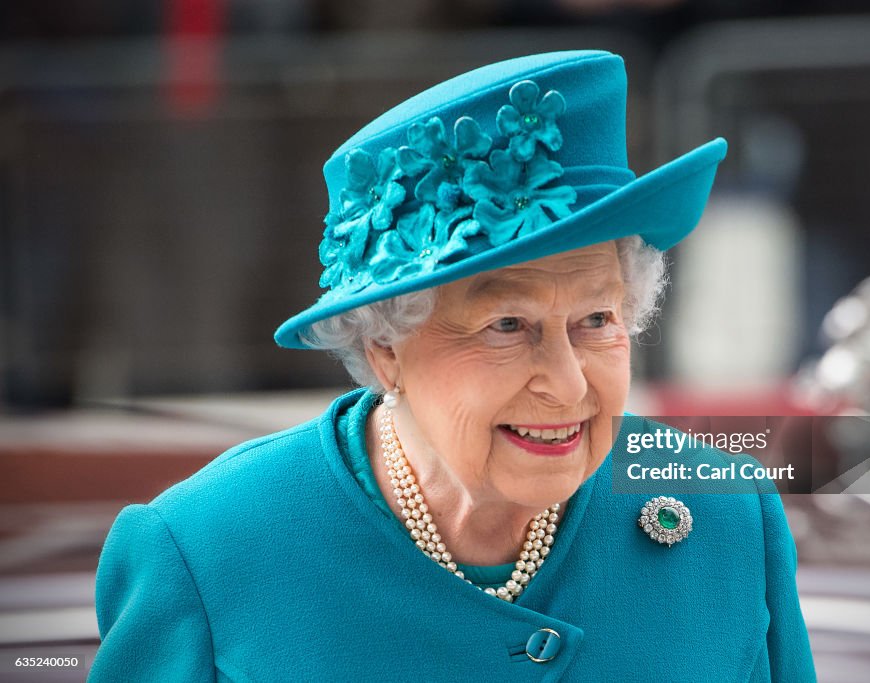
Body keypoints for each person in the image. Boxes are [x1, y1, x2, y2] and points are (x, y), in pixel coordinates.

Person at [89, 50, 816, 681]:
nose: (567, 383)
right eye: (508, 325)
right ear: (383, 348)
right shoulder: (208, 551)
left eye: (596, 320)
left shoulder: (729, 516)